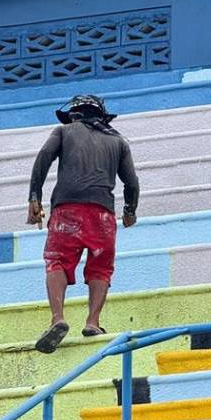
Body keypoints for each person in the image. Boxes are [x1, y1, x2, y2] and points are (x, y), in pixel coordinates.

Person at [27, 94, 140, 353]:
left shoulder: (64, 132)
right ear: (101, 116)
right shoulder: (117, 141)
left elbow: (43, 158)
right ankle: (92, 322)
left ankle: (58, 318)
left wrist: (35, 197)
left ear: (74, 115)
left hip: (67, 210)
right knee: (101, 268)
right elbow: (132, 183)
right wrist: (129, 211)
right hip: (103, 215)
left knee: (57, 261)